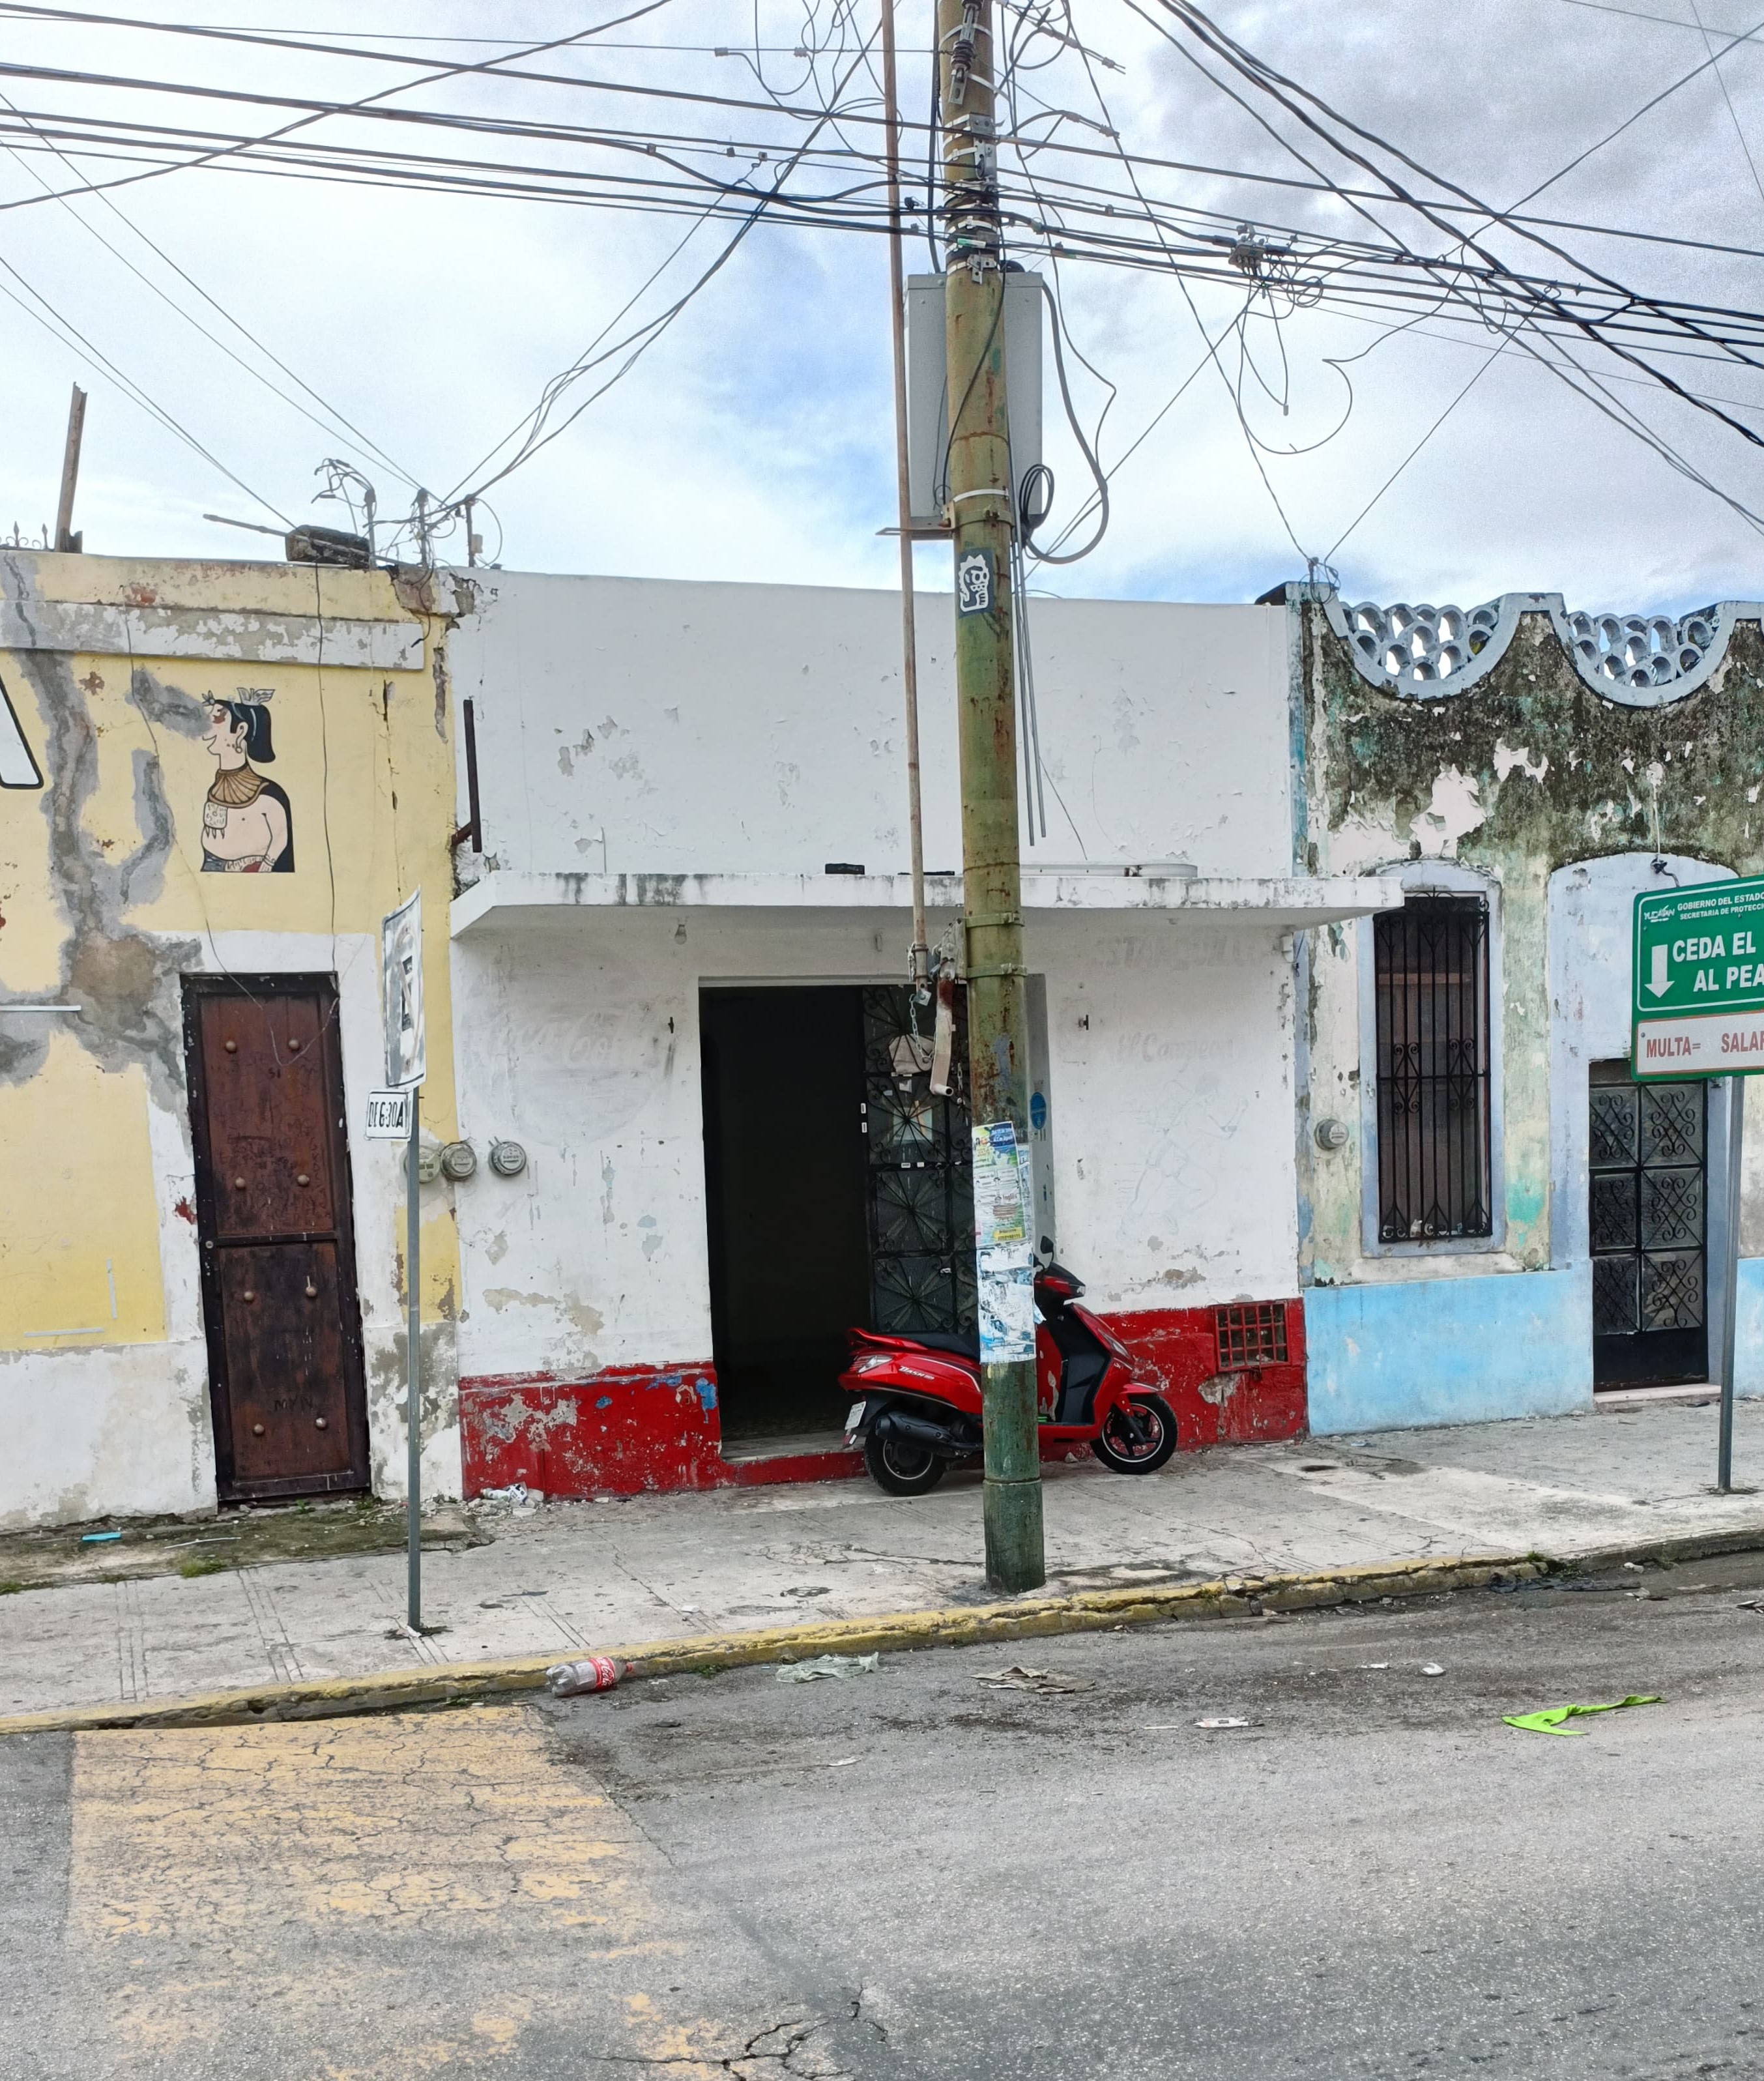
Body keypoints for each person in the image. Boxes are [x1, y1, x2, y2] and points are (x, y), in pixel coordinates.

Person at [201, 697, 293, 873]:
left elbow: (281, 839)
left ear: (241, 730)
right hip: (210, 866)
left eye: (217, 718)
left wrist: (266, 866)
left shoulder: (269, 794)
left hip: (248, 870)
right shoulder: (216, 786)